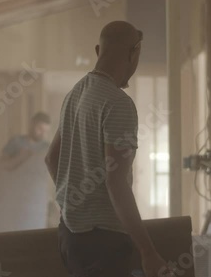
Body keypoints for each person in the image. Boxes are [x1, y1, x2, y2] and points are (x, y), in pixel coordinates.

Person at [45, 21, 172, 277]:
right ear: (134, 52)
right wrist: (148, 252)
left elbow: (51, 158)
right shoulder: (118, 104)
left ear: (97, 50)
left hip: (70, 236)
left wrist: (75, 204)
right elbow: (116, 183)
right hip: (104, 243)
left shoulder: (75, 94)